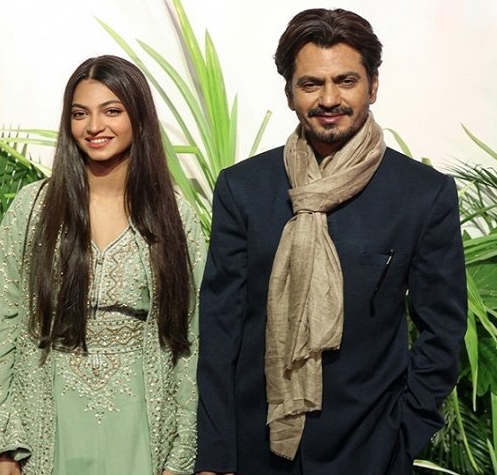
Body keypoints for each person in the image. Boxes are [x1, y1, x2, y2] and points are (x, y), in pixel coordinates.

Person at [195, 8, 466, 475]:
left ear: (373, 86)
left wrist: (403, 434)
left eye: (346, 81)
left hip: (371, 448)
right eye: (311, 84)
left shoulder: (422, 195)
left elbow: (442, 332)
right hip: (257, 448)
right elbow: (220, 330)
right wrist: (217, 454)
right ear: (289, 93)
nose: (329, 99)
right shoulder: (244, 189)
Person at [0, 55, 204, 475]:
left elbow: (193, 333)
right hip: (47, 417)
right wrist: (0, 449)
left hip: (144, 419)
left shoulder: (173, 216)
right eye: (80, 113)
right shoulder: (33, 208)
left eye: (112, 111)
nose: (94, 126)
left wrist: (181, 453)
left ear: (139, 117)